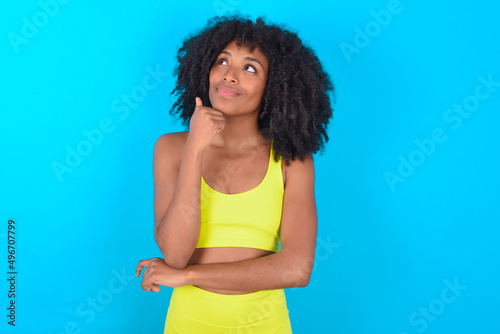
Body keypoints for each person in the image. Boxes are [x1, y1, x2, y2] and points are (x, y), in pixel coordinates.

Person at [135, 14, 335, 333]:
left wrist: (188, 277)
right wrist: (195, 149)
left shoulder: (291, 161)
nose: (229, 76)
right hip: (188, 324)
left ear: (273, 87)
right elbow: (174, 255)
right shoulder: (171, 149)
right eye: (222, 61)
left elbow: (297, 269)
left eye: (250, 68)